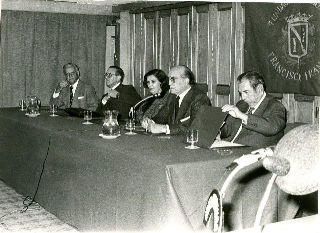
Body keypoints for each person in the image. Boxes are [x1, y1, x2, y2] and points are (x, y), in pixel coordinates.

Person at [220, 71, 287, 147]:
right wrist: (220, 124)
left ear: (259, 89)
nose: (243, 97)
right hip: (227, 147)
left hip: (251, 152)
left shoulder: (275, 106)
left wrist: (243, 116)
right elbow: (227, 132)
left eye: (246, 92)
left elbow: (272, 128)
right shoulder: (241, 104)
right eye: (240, 93)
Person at [147, 65, 211, 135]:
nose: (169, 83)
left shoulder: (199, 99)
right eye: (169, 79)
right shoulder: (172, 96)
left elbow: (196, 128)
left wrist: (165, 129)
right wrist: (150, 122)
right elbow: (161, 118)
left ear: (186, 81)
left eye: (173, 80)